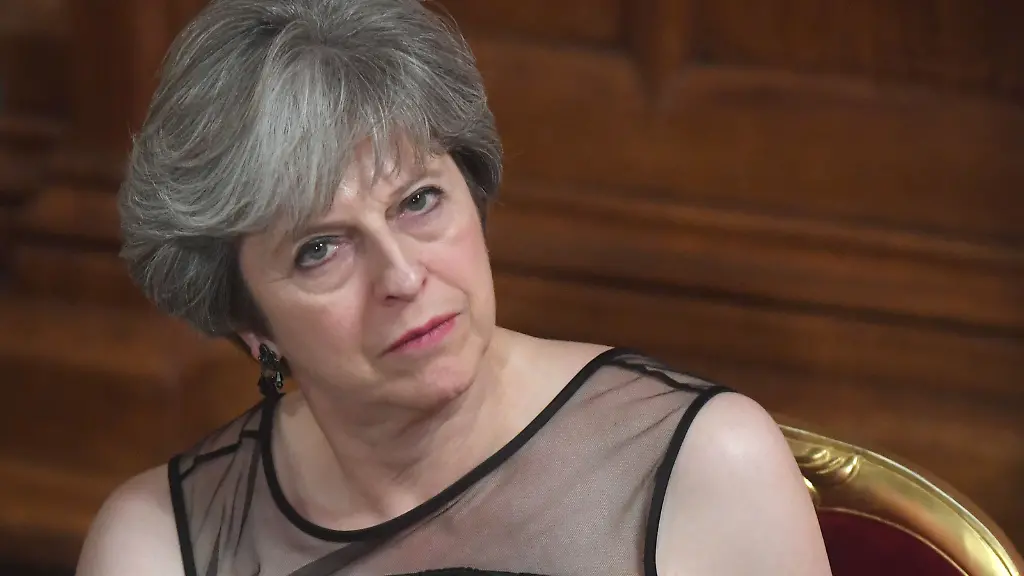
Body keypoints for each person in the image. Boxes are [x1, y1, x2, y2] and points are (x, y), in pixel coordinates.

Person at [76, 1, 833, 575]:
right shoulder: (157, 548)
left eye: (419, 201)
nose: (403, 277)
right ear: (251, 323)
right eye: (319, 250)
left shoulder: (707, 466)